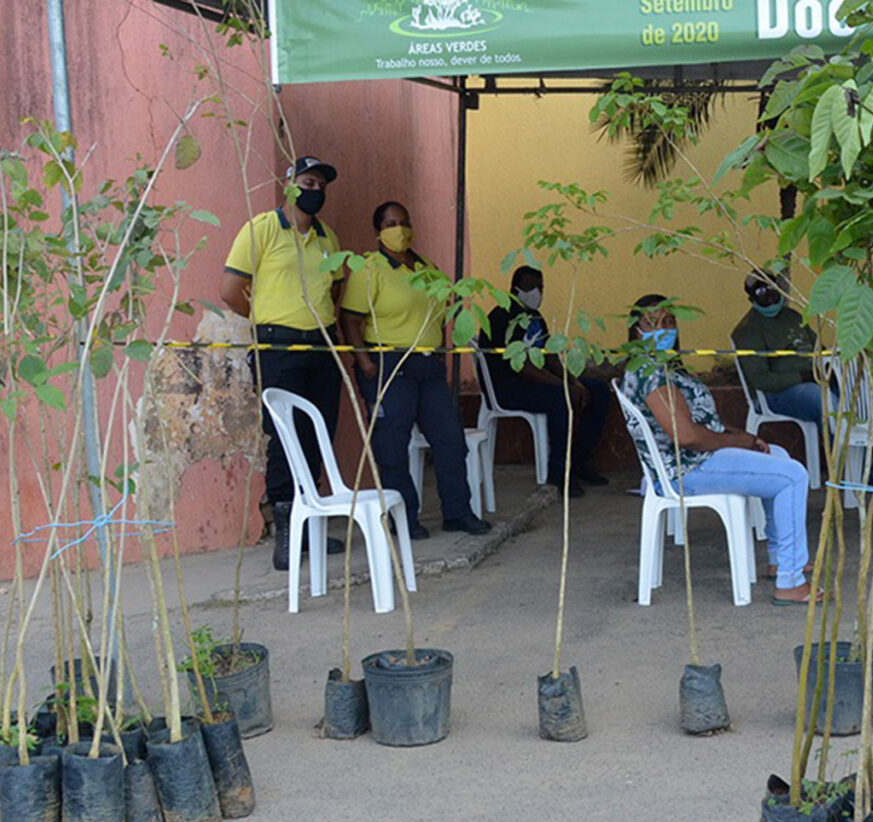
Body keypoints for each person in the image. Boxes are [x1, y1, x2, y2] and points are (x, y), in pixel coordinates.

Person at [620, 295, 817, 606]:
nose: (663, 329)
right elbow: (687, 437)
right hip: (688, 468)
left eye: (669, 321)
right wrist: (738, 443)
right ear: (637, 329)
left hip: (700, 459)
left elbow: (698, 418)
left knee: (777, 455)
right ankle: (790, 582)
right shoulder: (649, 372)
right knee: (793, 476)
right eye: (652, 322)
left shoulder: (665, 366)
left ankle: (780, 560)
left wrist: (737, 434)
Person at [221, 155, 348, 568]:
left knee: (318, 434)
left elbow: (336, 288)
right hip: (277, 347)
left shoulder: (328, 237)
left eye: (321, 186)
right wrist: (267, 320)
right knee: (283, 436)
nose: (316, 192)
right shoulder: (261, 229)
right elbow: (230, 290)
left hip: (322, 346)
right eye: (308, 184)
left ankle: (311, 527)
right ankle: (286, 533)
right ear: (289, 185)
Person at [339, 201, 491, 540]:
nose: (399, 229)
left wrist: (439, 353)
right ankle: (403, 517)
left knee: (450, 438)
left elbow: (444, 312)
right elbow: (349, 319)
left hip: (428, 366)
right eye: (390, 223)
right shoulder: (369, 267)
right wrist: (365, 363)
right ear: (378, 231)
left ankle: (458, 512)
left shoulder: (427, 268)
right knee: (392, 444)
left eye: (404, 222)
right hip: (388, 365)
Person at [484, 265, 612, 497]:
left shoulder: (535, 317)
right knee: (560, 399)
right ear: (515, 288)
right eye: (531, 287)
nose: (537, 292)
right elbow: (522, 366)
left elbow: (550, 356)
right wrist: (563, 387)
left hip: (537, 382)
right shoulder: (503, 316)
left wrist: (573, 381)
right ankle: (559, 474)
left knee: (598, 390)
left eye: (540, 287)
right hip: (507, 387)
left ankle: (579, 463)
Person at [731, 268, 824, 426]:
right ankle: (841, 441)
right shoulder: (748, 330)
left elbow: (820, 349)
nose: (769, 295)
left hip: (816, 380)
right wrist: (802, 377)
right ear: (752, 299)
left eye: (771, 287)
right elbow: (760, 379)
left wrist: (829, 370)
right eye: (761, 292)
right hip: (776, 396)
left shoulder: (793, 316)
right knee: (822, 400)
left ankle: (864, 440)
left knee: (856, 394)